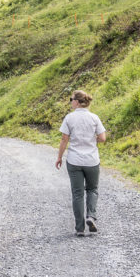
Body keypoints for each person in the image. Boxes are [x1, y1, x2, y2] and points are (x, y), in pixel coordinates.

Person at [55, 89, 107, 236]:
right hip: (92, 160)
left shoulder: (69, 118)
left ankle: (79, 229)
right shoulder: (94, 118)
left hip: (74, 160)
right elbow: (102, 138)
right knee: (92, 189)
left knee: (77, 194)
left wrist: (59, 157)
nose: (71, 102)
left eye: (71, 99)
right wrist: (91, 139)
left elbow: (64, 139)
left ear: (77, 102)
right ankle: (91, 216)